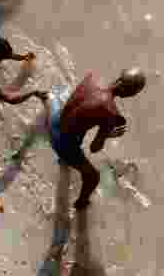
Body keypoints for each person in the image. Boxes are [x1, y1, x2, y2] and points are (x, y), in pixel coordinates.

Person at [49, 69, 146, 210]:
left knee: (75, 128)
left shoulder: (92, 79)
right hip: (60, 143)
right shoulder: (111, 112)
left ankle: (64, 159)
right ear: (130, 94)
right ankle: (81, 203)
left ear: (120, 76)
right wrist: (107, 135)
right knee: (93, 177)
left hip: (55, 121)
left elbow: (81, 111)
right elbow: (94, 148)